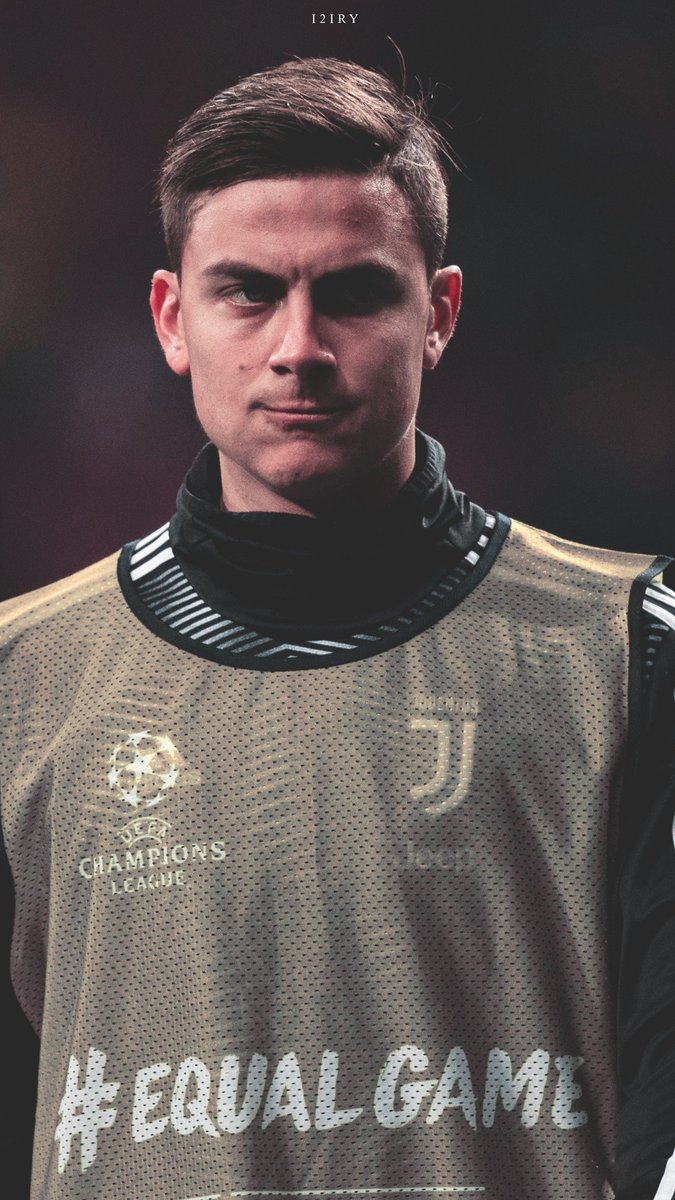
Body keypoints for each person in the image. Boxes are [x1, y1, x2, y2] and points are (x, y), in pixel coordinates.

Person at [0, 56, 674, 1200]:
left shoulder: (633, 650)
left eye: (356, 293)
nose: (299, 347)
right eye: (247, 292)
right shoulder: (23, 679)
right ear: (172, 318)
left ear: (439, 315)